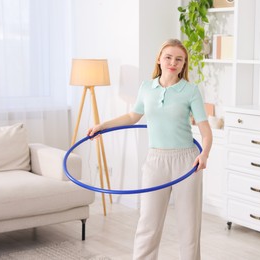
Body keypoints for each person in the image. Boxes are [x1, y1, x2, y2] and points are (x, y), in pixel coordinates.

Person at [87, 38, 213, 260]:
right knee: (148, 223)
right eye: (168, 57)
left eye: (179, 59)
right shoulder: (146, 87)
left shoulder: (191, 91)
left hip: (187, 161)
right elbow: (132, 116)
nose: (173, 62)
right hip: (156, 161)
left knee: (189, 225)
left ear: (184, 64)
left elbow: (205, 132)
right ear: (159, 59)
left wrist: (204, 155)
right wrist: (102, 126)